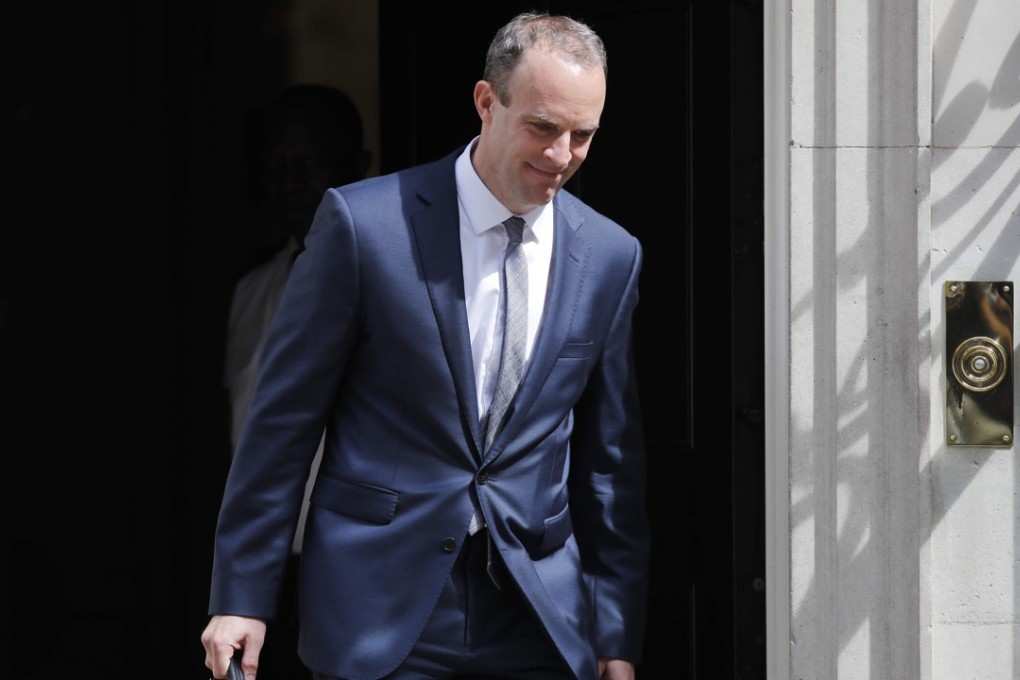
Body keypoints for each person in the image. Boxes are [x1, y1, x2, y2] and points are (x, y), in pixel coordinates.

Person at [202, 11, 650, 680]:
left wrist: (615, 636)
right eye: (542, 127)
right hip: (381, 607)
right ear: (486, 102)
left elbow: (609, 462)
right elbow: (283, 424)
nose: (561, 156)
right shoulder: (364, 225)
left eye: (581, 135)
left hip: (538, 614)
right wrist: (242, 597)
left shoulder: (611, 255)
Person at [222, 83, 372, 680]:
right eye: (275, 167)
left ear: (354, 168)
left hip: (351, 561)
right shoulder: (248, 288)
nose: (288, 183)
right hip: (262, 562)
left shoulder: (390, 284)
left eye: (306, 165)